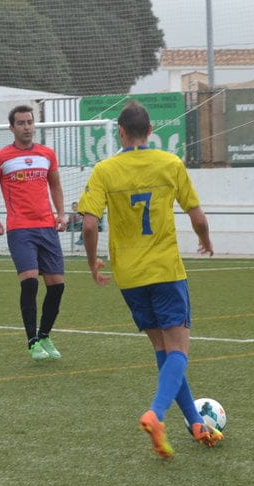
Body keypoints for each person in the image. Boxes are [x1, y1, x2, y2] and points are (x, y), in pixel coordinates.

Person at [77, 100, 219, 458]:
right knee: (180, 350)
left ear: (121, 132)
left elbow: (90, 223)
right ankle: (155, 414)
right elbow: (198, 217)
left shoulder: (104, 171)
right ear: (151, 131)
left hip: (129, 276)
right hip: (165, 270)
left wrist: (93, 263)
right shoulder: (170, 164)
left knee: (162, 349)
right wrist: (205, 241)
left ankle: (196, 423)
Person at [0, 104, 68, 362]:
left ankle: (45, 335)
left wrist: (61, 214)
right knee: (30, 281)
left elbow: (55, 184)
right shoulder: (1, 158)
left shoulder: (47, 154)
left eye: (29, 122)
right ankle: (32, 341)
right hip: (20, 228)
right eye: (21, 123)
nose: (26, 127)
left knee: (57, 286)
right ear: (12, 127)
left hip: (47, 227)